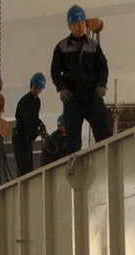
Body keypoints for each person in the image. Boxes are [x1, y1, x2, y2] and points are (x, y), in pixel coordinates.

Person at [50, 4, 111, 154]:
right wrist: (62, 88)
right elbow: (55, 71)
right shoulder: (61, 47)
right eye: (76, 24)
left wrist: (101, 85)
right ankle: (74, 162)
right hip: (72, 97)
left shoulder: (93, 46)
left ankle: (107, 156)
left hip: (92, 95)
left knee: (103, 129)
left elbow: (103, 67)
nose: (80, 27)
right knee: (73, 138)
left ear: (85, 23)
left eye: (82, 23)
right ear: (69, 26)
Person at [12, 72, 47, 176]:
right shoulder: (25, 102)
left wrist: (40, 123)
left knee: (28, 165)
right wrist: (38, 132)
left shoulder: (37, 101)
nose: (37, 91)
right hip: (21, 137)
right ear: (31, 86)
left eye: (39, 89)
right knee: (24, 166)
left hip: (26, 138)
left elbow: (34, 118)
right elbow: (28, 122)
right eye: (36, 88)